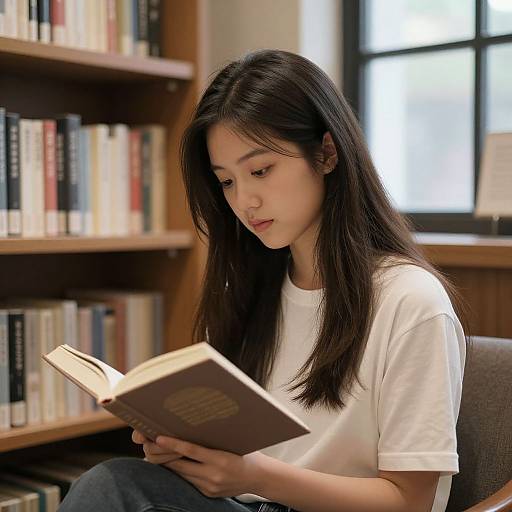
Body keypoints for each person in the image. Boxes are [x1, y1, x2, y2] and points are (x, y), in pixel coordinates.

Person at [58, 49, 468, 512]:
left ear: (327, 152)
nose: (245, 201)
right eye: (227, 182)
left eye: (260, 171)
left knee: (109, 489)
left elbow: (411, 502)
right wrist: (186, 452)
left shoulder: (409, 301)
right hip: (247, 503)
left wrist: (255, 476)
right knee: (111, 483)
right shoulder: (252, 291)